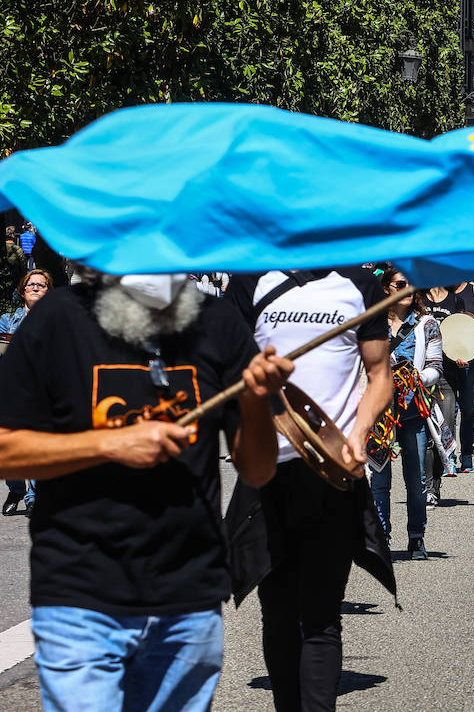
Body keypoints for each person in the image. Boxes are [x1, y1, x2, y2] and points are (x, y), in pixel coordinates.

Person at [0, 269, 289, 710]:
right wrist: (107, 443)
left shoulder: (217, 321)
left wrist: (254, 402)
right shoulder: (58, 318)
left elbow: (258, 468)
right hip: (81, 595)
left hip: (189, 599)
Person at [224, 267, 396, 712]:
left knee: (321, 616)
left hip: (331, 473)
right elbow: (229, 371)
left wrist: (358, 434)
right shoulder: (250, 280)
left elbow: (380, 376)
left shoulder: (360, 284)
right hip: (268, 470)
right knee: (278, 611)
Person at [370, 269, 441, 560]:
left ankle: (416, 537)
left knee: (416, 479)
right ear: (387, 288)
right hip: (379, 413)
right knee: (379, 479)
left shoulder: (428, 324)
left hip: (413, 411)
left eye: (413, 282)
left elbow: (436, 367)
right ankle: (381, 537)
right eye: (401, 283)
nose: (408, 288)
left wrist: (415, 378)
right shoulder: (371, 322)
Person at [422, 281, 474, 483]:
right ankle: (447, 456)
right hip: (434, 368)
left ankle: (466, 453)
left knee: (469, 409)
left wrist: (466, 351)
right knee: (445, 414)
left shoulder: (462, 296)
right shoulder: (421, 296)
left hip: (463, 361)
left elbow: (471, 328)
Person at [1, 268, 53, 515]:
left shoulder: (57, 320)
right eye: (30, 284)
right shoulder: (6, 320)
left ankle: (34, 495)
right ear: (22, 291)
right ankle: (16, 489)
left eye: (41, 285)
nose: (35, 287)